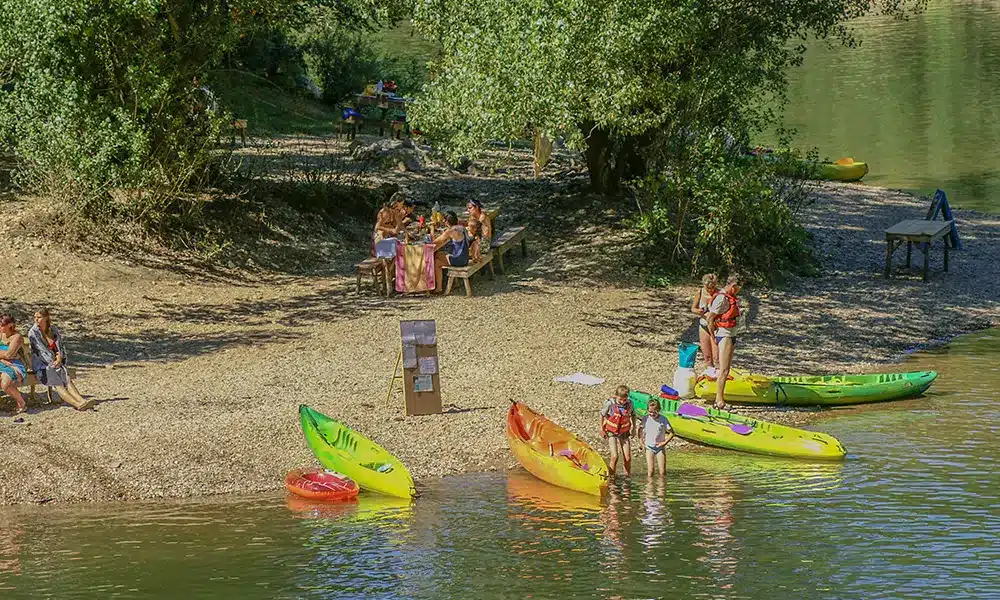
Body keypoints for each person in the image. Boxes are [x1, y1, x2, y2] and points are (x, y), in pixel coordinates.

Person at [28, 309, 93, 410]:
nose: (36, 319)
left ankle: (81, 400)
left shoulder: (53, 329)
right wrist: (54, 363)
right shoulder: (33, 332)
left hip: (55, 362)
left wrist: (59, 358)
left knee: (67, 380)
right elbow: (41, 351)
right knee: (58, 383)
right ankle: (77, 405)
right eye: (35, 317)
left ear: (46, 318)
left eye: (39, 317)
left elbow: (59, 347)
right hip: (42, 364)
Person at [706, 273, 743, 410]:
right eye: (739, 287)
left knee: (726, 369)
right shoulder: (721, 298)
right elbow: (710, 318)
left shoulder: (730, 297)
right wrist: (713, 336)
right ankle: (719, 401)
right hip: (724, 335)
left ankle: (720, 398)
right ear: (733, 286)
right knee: (724, 370)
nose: (739, 290)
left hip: (731, 333)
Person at [600, 385, 636, 478]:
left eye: (625, 399)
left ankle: (627, 477)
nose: (623, 402)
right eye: (620, 399)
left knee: (627, 458)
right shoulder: (610, 404)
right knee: (615, 456)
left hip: (624, 432)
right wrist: (602, 429)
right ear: (616, 396)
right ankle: (611, 477)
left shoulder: (630, 404)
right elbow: (602, 415)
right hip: (612, 432)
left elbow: (633, 415)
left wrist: (634, 428)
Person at [431, 211, 470, 292]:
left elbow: (435, 242)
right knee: (438, 254)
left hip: (459, 260)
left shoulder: (450, 231)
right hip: (465, 257)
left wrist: (432, 230)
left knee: (436, 261)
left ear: (446, 221)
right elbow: (445, 241)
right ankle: (440, 285)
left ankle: (438, 287)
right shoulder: (461, 227)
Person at [691, 273, 720, 378]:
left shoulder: (719, 294)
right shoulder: (700, 292)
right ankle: (710, 375)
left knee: (717, 357)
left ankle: (718, 378)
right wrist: (698, 311)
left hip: (716, 328)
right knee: (707, 356)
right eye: (708, 288)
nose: (710, 290)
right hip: (703, 326)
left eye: (713, 287)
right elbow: (693, 308)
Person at [638, 398, 674, 478]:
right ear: (647, 410)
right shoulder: (645, 418)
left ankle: (661, 488)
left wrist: (664, 443)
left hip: (660, 448)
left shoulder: (663, 419)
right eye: (650, 412)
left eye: (654, 412)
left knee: (662, 471)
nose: (652, 414)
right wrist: (641, 442)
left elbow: (672, 433)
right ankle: (649, 488)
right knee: (651, 470)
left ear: (659, 410)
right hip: (649, 447)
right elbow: (640, 430)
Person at [0, 314, 27, 414]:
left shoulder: (17, 337)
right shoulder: (1, 334)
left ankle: (21, 403)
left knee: (5, 384)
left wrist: (5, 355)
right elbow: (7, 355)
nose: (0, 327)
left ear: (10, 325)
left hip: (14, 364)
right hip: (1, 362)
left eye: (2, 325)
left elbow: (9, 355)